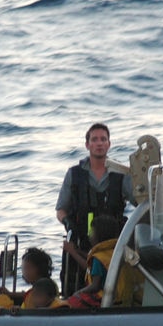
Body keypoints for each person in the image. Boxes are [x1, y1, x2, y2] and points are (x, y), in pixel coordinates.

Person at [55, 123, 134, 297]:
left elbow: (138, 201)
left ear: (109, 144)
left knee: (111, 284)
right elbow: (61, 209)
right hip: (80, 238)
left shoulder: (122, 174)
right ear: (87, 145)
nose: (99, 143)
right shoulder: (74, 174)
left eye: (103, 139)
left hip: (111, 243)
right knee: (72, 284)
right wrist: (67, 222)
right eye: (95, 139)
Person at [63, 215, 121, 308]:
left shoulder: (98, 258)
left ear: (99, 235)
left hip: (105, 299)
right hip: (119, 297)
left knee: (73, 301)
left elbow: (95, 285)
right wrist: (78, 251)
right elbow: (93, 263)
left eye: (92, 232)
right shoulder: (115, 251)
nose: (89, 235)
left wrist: (78, 292)